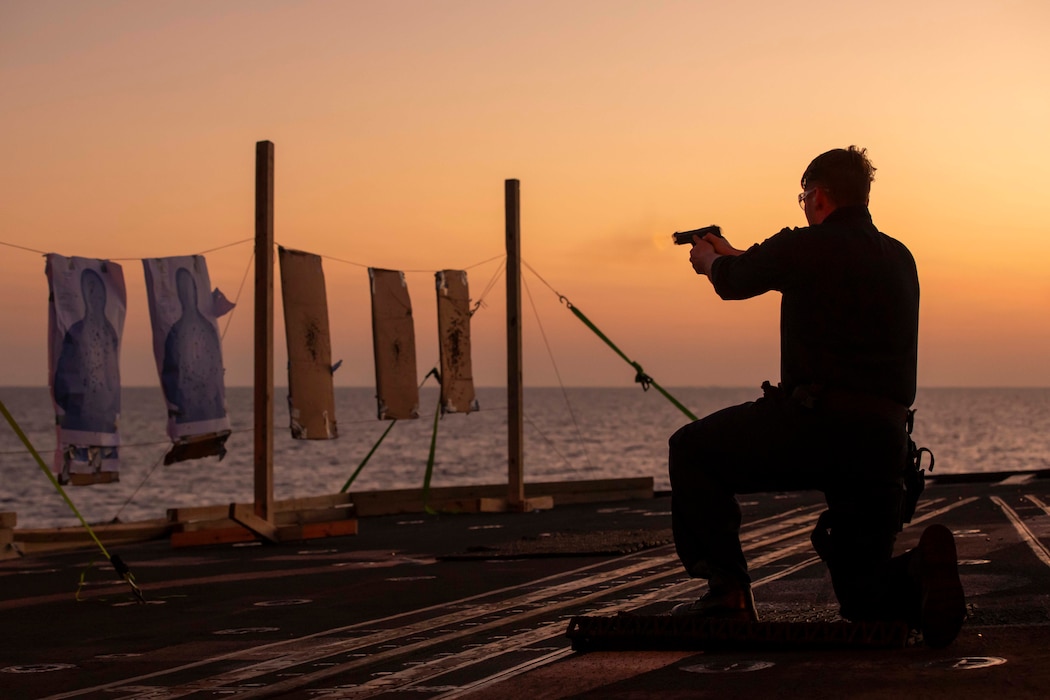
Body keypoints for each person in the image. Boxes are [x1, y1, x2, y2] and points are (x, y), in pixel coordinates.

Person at [668, 146, 965, 648]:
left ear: (820, 195)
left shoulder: (804, 247)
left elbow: (735, 282)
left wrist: (707, 262)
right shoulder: (899, 257)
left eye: (804, 196)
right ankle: (920, 576)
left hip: (813, 429)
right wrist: (731, 250)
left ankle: (728, 595)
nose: (803, 205)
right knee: (863, 602)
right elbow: (776, 265)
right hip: (882, 445)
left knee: (692, 450)